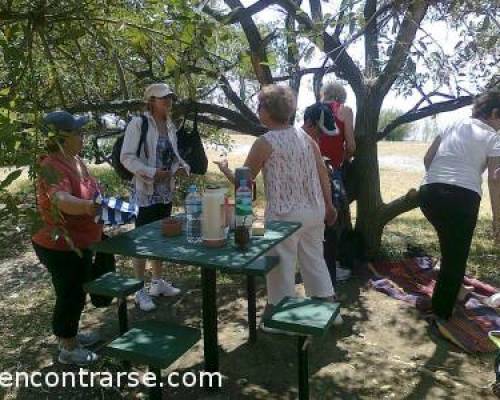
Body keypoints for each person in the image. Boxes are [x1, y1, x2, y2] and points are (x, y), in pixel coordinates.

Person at [215, 85, 338, 333]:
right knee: (314, 259)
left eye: (259, 105)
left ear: (267, 111)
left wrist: (226, 169)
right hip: (314, 211)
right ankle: (329, 309)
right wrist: (329, 205)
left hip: (284, 215)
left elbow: (244, 182)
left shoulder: (265, 141)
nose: (257, 109)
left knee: (280, 264)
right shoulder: (307, 138)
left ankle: (280, 318)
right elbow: (323, 172)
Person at [419, 89, 500, 320]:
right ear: (494, 113)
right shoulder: (494, 137)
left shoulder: (453, 124)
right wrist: (498, 219)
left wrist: (439, 181)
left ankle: (452, 291)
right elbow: (495, 178)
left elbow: (427, 159)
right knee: (456, 256)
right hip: (462, 199)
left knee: (450, 245)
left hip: (429, 194)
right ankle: (441, 313)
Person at [32, 111, 101, 366]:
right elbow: (60, 200)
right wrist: (87, 207)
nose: (83, 137)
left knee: (78, 290)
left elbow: (90, 191)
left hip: (80, 240)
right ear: (61, 138)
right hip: (59, 244)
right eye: (78, 133)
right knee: (69, 293)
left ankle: (71, 334)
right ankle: (68, 347)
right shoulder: (50, 165)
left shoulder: (76, 160)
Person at [120, 83, 190, 311]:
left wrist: (181, 167)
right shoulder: (138, 123)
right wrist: (152, 173)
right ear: (151, 101)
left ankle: (157, 282)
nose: (168, 102)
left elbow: (174, 156)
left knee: (162, 237)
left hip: (165, 191)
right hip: (145, 191)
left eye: (170, 98)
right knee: (142, 241)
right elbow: (127, 157)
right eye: (163, 99)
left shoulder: (169, 125)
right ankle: (139, 289)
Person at [302, 102, 343, 286]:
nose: (320, 139)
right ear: (309, 123)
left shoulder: (312, 143)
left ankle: (328, 291)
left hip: (317, 210)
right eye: (319, 132)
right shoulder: (300, 143)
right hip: (304, 212)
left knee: (327, 252)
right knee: (320, 260)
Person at [320, 81, 356, 281]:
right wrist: (343, 159)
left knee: (316, 219)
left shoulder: (314, 111)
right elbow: (350, 145)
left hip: (312, 169)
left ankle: (317, 266)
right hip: (332, 170)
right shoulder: (345, 110)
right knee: (333, 221)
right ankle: (331, 269)